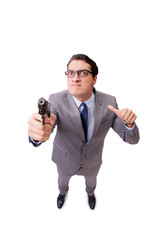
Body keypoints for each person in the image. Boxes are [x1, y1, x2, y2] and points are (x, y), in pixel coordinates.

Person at [28, 54, 140, 210]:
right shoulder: (55, 100)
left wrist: (129, 123)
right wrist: (38, 133)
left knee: (92, 182)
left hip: (92, 161)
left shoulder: (109, 102)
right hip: (65, 159)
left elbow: (132, 139)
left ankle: (90, 194)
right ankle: (62, 193)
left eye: (82, 73)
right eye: (70, 73)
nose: (75, 78)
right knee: (62, 180)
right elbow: (50, 120)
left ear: (94, 79)